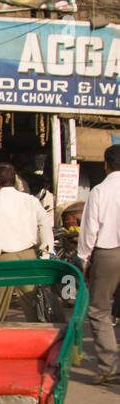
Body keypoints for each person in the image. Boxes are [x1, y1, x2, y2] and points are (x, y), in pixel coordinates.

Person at [0, 162, 53, 321]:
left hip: (4, 261)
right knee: (35, 309)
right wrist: (46, 252)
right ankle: (38, 341)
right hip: (29, 258)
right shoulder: (30, 200)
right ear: (15, 179)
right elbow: (45, 224)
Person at [79, 143, 120, 384]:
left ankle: (109, 366)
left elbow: (89, 230)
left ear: (106, 165)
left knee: (99, 310)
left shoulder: (100, 191)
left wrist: (84, 258)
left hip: (108, 253)